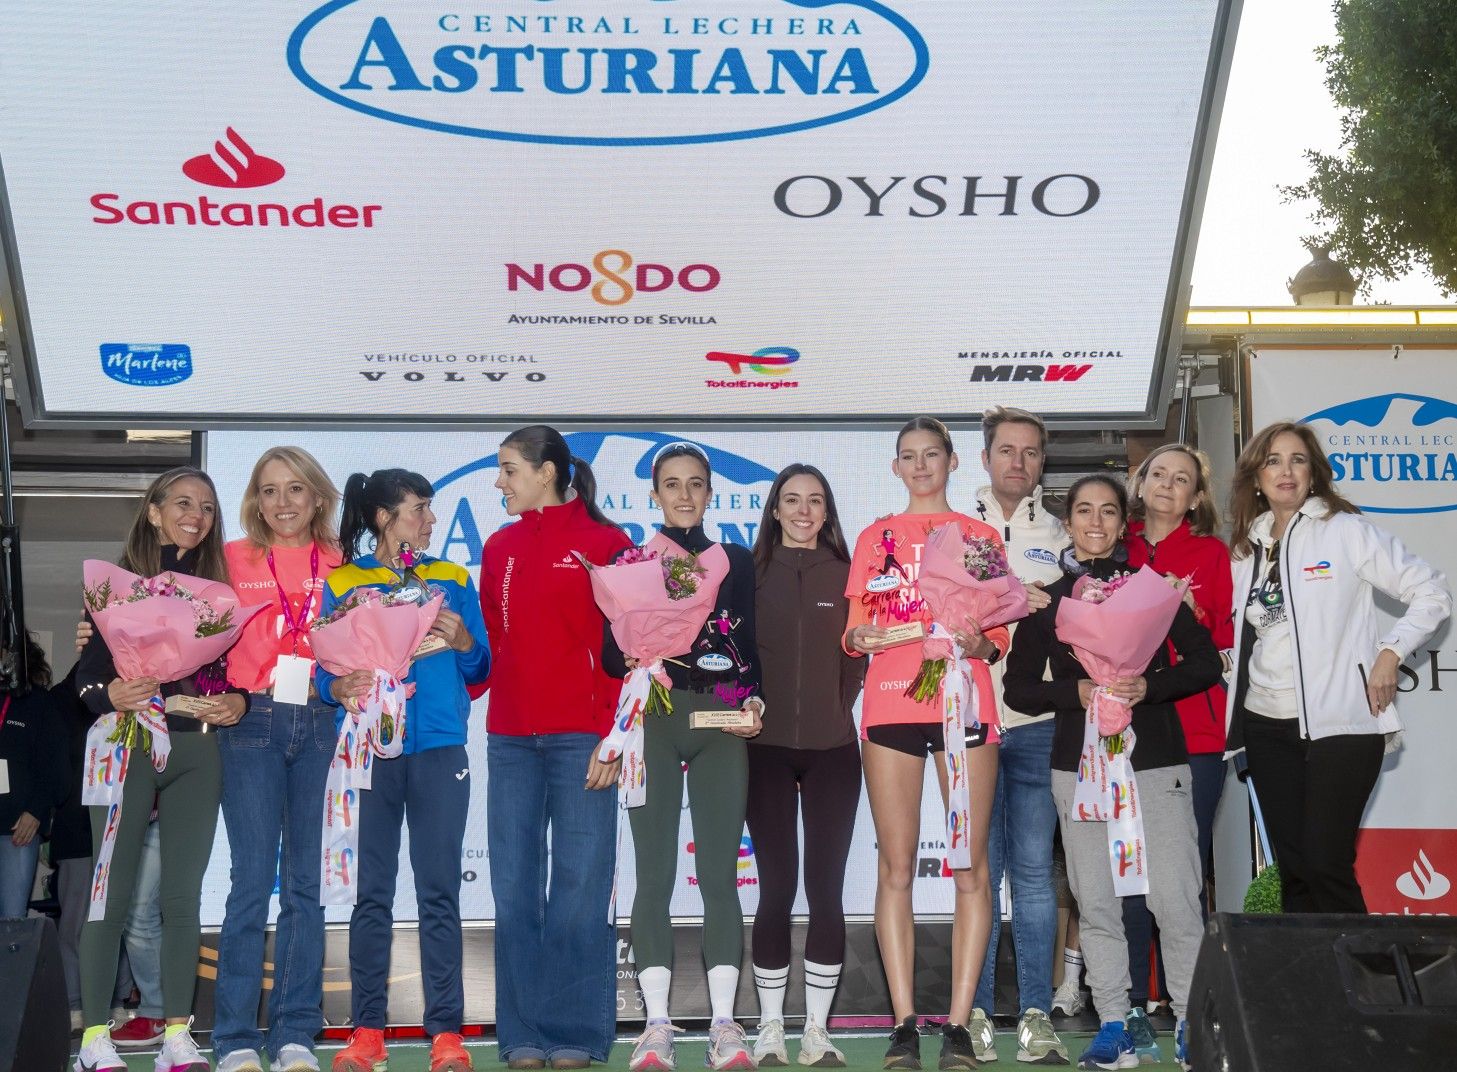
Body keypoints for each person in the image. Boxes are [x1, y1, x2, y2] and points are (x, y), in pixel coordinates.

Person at [1003, 474, 1219, 1072]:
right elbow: (1019, 689)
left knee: (1175, 899)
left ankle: (1190, 1025)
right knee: (1095, 902)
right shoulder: (1048, 602)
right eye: (1082, 512)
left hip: (1156, 763)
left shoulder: (1154, 591)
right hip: (1078, 771)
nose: (1094, 523)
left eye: (1106, 512)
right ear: (1067, 522)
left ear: (1124, 524)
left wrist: (1149, 685)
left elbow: (1205, 664)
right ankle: (1116, 1024)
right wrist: (1075, 691)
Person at [1226, 422, 1450, 913]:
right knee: (1297, 872)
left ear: (1314, 473)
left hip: (1342, 723)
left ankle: (1364, 985)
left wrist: (1390, 654)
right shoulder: (1246, 549)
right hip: (1264, 724)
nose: (1286, 470)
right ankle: (1314, 989)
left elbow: (1432, 593)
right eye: (1273, 460)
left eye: (1297, 459)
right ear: (1256, 477)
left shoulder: (1345, 531)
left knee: (1326, 863)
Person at [843, 417, 1009, 1071]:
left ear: (951, 462)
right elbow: (855, 629)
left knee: (968, 866)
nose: (919, 467)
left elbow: (999, 638)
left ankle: (960, 1026)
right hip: (889, 704)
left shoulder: (978, 537)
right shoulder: (873, 537)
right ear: (895, 468)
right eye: (908, 457)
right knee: (895, 865)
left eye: (930, 455)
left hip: (964, 705)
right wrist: (860, 641)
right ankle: (905, 1023)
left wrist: (976, 643)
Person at [74, 466, 252, 1072]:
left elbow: (235, 678)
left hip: (196, 751)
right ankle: (94, 1036)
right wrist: (109, 694)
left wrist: (241, 703)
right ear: (153, 511)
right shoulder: (117, 590)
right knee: (110, 895)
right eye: (182, 503)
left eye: (205, 506)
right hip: (127, 743)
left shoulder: (222, 597)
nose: (195, 514)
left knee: (182, 897)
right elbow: (84, 683)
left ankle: (179, 1031)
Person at [317, 468, 490, 1072]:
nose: (431, 519)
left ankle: (446, 1033)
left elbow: (481, 667)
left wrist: (465, 638)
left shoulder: (450, 576)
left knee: (439, 889)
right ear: (384, 517)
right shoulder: (343, 582)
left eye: (430, 509)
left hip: (440, 746)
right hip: (370, 748)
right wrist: (337, 683)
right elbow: (323, 669)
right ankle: (367, 1032)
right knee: (373, 895)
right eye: (420, 508)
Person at [603, 442, 764, 1072]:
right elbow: (610, 655)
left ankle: (725, 1025)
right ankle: (657, 1026)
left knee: (720, 874)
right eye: (672, 485)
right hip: (657, 721)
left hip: (721, 719)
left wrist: (757, 702)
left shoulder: (737, 561)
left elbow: (749, 645)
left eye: (696, 484)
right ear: (654, 493)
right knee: (655, 875)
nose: (685, 495)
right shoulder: (632, 562)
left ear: (710, 491)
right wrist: (642, 653)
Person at [479, 427, 631, 1070]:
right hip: (509, 738)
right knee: (513, 888)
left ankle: (574, 1032)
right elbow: (490, 647)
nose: (499, 482)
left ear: (546, 473)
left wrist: (614, 737)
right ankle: (520, 1033)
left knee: (579, 886)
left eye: (509, 469)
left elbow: (630, 655)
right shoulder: (498, 546)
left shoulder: (608, 544)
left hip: (583, 740)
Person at [213, 447, 343, 1072]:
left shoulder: (343, 564)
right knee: (247, 886)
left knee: (303, 889)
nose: (283, 503)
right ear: (254, 500)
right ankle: (235, 1036)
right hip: (251, 723)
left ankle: (294, 1033)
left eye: (296, 489)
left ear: (318, 496)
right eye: (269, 491)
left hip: (320, 721)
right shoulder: (230, 557)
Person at [746, 465, 865, 1068]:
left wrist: (831, 712)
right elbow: (733, 656)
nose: (802, 510)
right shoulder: (749, 572)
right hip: (762, 751)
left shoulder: (849, 576)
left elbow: (855, 659)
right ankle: (769, 1027)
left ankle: (816, 1030)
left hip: (834, 752)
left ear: (827, 511)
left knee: (825, 890)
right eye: (791, 500)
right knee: (775, 888)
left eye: (815, 501)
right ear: (773, 509)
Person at [1120, 444, 1232, 1041]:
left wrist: (1189, 608)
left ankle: (1195, 1002)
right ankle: (1137, 999)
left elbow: (1222, 631)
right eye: (1158, 474)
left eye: (1181, 479)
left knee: (1184, 875)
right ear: (1139, 484)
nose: (1167, 485)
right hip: (1123, 731)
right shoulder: (1117, 544)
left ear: (1195, 496)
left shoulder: (1211, 553)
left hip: (1194, 730)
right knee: (1129, 872)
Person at [968, 406, 1070, 1065]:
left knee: (1034, 875)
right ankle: (971, 1013)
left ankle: (1035, 1013)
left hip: (1036, 726)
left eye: (1030, 453)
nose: (1018, 462)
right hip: (971, 722)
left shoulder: (1061, 534)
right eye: (1007, 450)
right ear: (984, 458)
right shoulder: (954, 528)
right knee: (975, 873)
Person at [0, 633, 69, 917]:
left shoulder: (38, 703)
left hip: (17, 829)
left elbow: (56, 769)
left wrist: (36, 810)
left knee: (12, 925)